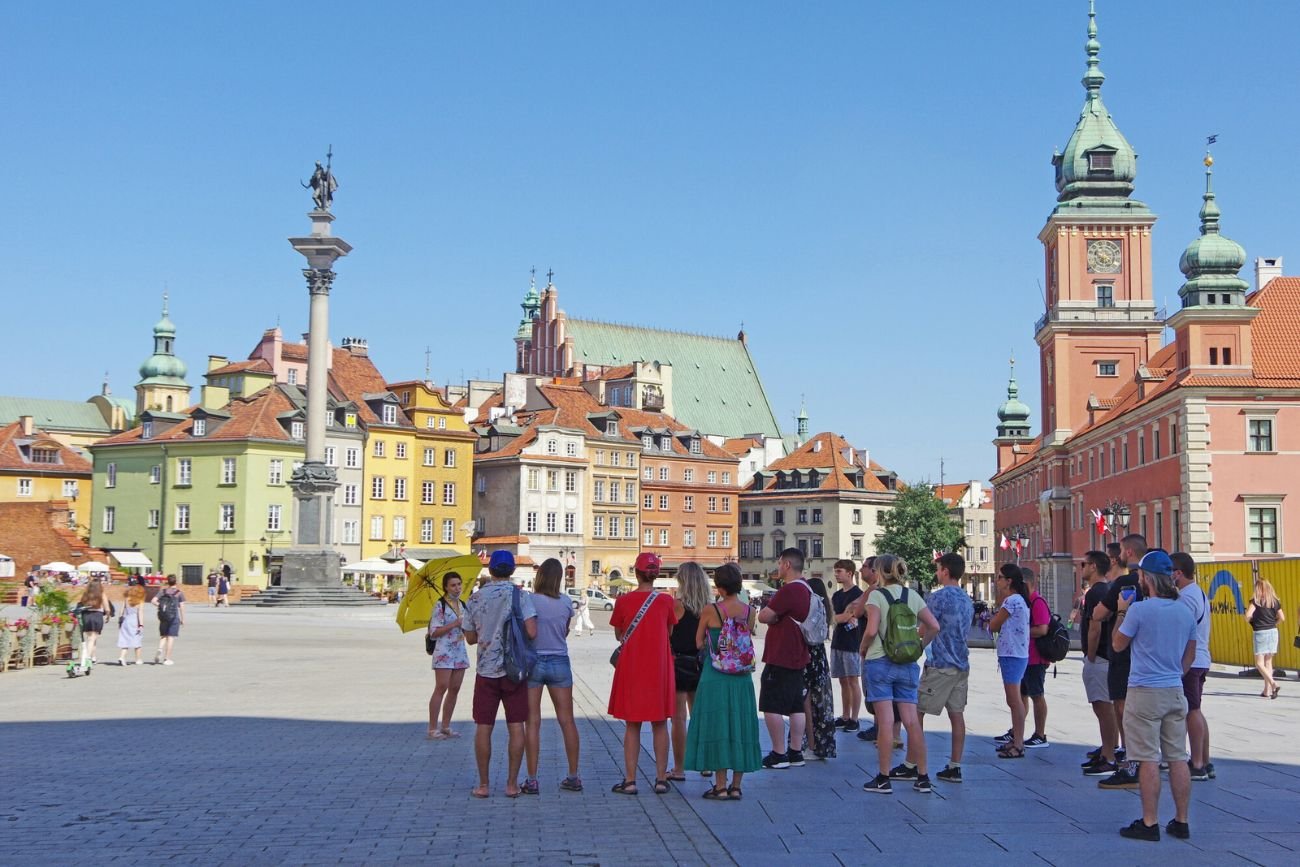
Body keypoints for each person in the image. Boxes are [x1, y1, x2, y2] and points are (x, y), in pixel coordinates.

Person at [1112, 550, 1197, 842]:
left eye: (1140, 574)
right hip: (1174, 689)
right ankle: (1182, 821)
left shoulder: (1139, 610)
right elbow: (1190, 655)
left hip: (1144, 690)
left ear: (1147, 578)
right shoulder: (1185, 611)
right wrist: (1174, 674)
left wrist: (1122, 610)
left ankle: (1150, 823)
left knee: (1148, 758)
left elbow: (1118, 644)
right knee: (1177, 757)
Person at [461, 551, 537, 798]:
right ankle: (512, 784)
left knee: (484, 726)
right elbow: (532, 631)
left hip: (486, 671)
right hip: (514, 670)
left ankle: (483, 785)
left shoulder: (475, 598)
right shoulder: (521, 596)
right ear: (512, 570)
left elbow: (470, 638)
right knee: (516, 726)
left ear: (491, 570)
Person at [860, 554, 938, 794]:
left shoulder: (876, 596)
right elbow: (934, 626)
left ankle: (883, 778)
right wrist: (920, 646)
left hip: (879, 661)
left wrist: (863, 648)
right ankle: (923, 777)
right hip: (907, 662)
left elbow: (871, 630)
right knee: (912, 721)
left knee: (885, 721)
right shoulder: (912, 596)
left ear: (880, 572)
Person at [686, 563, 763, 800]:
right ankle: (736, 786)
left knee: (718, 724)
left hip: (715, 675)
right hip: (741, 677)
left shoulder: (711, 610)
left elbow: (698, 642)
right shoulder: (749, 611)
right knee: (739, 724)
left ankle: (720, 786)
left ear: (719, 587)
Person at [608, 552, 677, 795]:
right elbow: (669, 631)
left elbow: (619, 634)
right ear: (656, 575)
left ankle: (630, 780)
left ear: (636, 574)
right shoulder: (666, 601)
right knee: (660, 723)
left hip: (632, 666)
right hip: (658, 667)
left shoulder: (624, 601)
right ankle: (661, 779)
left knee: (632, 724)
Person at [1093, 533, 1148, 790]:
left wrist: (1121, 610)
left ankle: (1130, 759)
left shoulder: (1125, 583)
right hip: (1151, 658)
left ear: (1128, 553)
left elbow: (1098, 613)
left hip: (1123, 654)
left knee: (1123, 708)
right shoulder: (1165, 589)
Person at [523, 559, 582, 794]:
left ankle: (532, 779)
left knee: (533, 722)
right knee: (567, 721)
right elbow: (564, 631)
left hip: (534, 661)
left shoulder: (529, 600)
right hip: (559, 661)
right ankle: (573, 776)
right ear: (559, 578)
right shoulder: (566, 602)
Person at [918, 553, 974, 783]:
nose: (936, 573)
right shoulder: (967, 599)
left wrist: (918, 642)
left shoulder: (937, 598)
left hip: (940, 664)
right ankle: (955, 766)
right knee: (957, 715)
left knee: (916, 713)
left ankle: (914, 763)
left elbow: (926, 628)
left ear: (946, 571)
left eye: (938, 569)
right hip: (961, 663)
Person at [756, 548, 812, 770]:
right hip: (799, 653)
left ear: (787, 565)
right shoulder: (806, 588)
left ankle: (779, 753)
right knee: (796, 704)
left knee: (771, 704)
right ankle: (795, 752)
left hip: (781, 654)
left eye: (780, 563)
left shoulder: (789, 590)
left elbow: (764, 616)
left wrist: (773, 616)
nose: (778, 566)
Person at [1078, 550, 1120, 776]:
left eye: (1084, 564)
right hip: (1107, 656)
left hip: (1100, 657)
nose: (1082, 568)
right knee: (1106, 707)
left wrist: (1091, 656)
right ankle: (1108, 750)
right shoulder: (1107, 589)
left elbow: (1095, 627)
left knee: (1103, 707)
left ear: (1093, 566)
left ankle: (1108, 756)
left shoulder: (1095, 593)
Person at [668, 562, 711, 782]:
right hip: (701, 664)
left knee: (678, 719)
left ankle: (679, 768)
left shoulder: (677, 606)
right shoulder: (709, 607)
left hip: (678, 664)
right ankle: (706, 764)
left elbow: (668, 634)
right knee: (700, 716)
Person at [1172, 552, 1212, 780]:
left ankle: (1197, 764)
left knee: (1192, 710)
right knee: (1196, 709)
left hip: (1191, 662)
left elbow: (1182, 632)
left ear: (1178, 573)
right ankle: (1204, 760)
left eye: (1169, 572)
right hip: (1200, 659)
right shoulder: (1197, 592)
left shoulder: (1186, 597)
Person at [989, 563, 1031, 759]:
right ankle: (1016, 739)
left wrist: (991, 620)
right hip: (1017, 653)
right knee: (1014, 699)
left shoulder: (1011, 601)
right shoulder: (1020, 599)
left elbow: (994, 625)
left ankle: (1018, 743)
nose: (997, 581)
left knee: (1014, 700)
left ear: (1009, 581)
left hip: (1012, 654)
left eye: (999, 577)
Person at [427, 571, 469, 740]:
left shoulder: (463, 604)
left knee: (455, 688)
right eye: (453, 585)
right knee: (441, 687)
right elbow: (434, 632)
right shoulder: (440, 605)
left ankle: (445, 725)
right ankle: (432, 728)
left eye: (459, 584)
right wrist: (454, 624)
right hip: (444, 651)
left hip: (459, 650)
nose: (457, 588)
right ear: (446, 587)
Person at [802, 577, 837, 759]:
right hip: (820, 656)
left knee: (805, 700)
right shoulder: (825, 607)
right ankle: (821, 744)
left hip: (807, 653)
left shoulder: (810, 605)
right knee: (820, 700)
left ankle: (810, 744)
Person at [829, 559, 865, 733]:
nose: (836, 574)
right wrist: (842, 617)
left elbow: (848, 616)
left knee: (853, 680)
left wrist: (843, 616)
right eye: (835, 571)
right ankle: (845, 716)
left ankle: (854, 718)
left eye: (839, 571)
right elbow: (834, 618)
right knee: (843, 681)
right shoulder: (836, 595)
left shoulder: (859, 594)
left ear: (849, 573)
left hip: (852, 642)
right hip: (838, 640)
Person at [1021, 572, 1053, 748]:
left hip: (1036, 658)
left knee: (1036, 695)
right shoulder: (1027, 602)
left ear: (1027, 584)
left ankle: (1040, 734)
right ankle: (1017, 730)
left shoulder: (1037, 602)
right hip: (1025, 657)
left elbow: (1042, 629)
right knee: (1022, 695)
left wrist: (1019, 630)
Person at [1246, 578, 1285, 699]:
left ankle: (1273, 684)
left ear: (1257, 588)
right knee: (1268, 662)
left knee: (1259, 663)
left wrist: (1252, 622)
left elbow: (1248, 616)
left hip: (1260, 632)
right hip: (1273, 631)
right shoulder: (1274, 601)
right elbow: (1282, 618)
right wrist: (1274, 623)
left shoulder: (1255, 602)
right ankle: (1267, 690)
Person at [72, 580, 111, 674]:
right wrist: (108, 616)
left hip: (86, 616)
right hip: (97, 615)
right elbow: (107, 608)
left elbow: (81, 604)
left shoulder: (86, 594)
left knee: (91, 638)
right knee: (92, 638)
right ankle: (87, 658)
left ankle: (93, 658)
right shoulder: (101, 594)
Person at [153, 575, 185, 665]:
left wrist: (161, 605)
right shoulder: (179, 593)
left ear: (168, 582)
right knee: (171, 637)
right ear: (176, 582)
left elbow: (153, 601)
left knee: (164, 635)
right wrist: (183, 619)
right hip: (174, 617)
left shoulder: (163, 591)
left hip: (163, 616)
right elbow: (182, 606)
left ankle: (160, 649)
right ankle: (167, 658)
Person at [115, 584, 146, 665]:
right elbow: (140, 613)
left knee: (125, 640)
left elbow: (121, 610)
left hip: (126, 620)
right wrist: (141, 625)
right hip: (135, 621)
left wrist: (120, 621)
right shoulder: (140, 601)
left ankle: (122, 657)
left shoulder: (126, 599)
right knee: (137, 640)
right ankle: (138, 659)